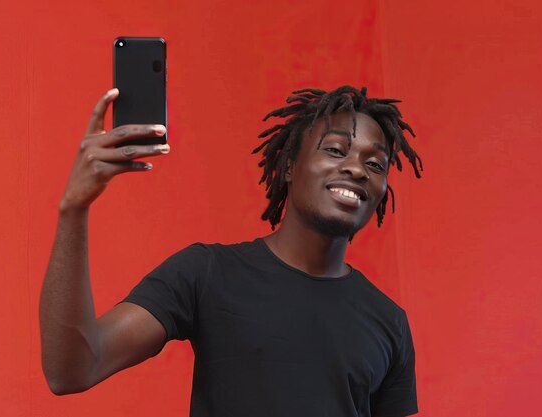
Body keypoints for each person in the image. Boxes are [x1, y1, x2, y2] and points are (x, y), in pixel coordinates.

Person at [40, 86, 423, 417]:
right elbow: (73, 369)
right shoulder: (206, 274)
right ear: (289, 167)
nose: (357, 169)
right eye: (336, 150)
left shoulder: (389, 322)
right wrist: (73, 209)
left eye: (375, 163)